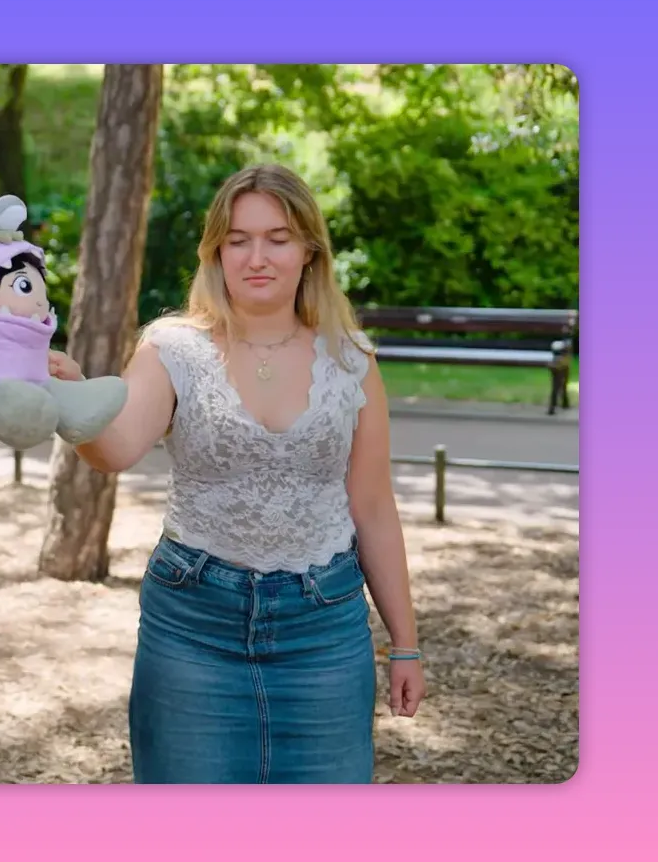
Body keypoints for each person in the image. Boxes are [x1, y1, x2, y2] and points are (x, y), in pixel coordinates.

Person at [72, 164, 427, 784]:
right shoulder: (173, 349)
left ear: (309, 250)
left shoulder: (351, 361)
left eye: (278, 237)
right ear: (216, 251)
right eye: (238, 239)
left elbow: (372, 508)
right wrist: (67, 400)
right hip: (193, 625)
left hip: (323, 630)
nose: (257, 256)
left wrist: (405, 644)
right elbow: (115, 449)